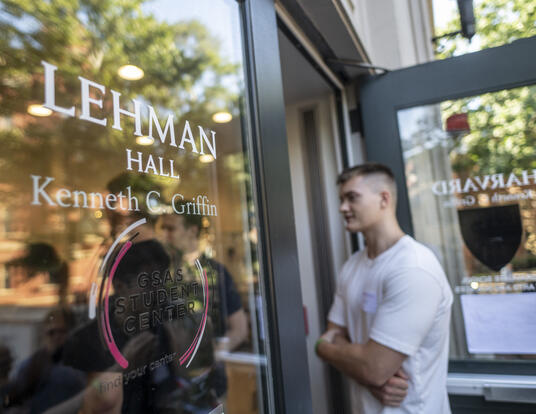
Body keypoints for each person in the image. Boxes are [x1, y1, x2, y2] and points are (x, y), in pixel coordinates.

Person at [316, 163, 453, 413]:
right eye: (341, 199)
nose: (342, 208)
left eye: (352, 198)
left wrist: (337, 352)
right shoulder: (353, 266)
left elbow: (373, 366)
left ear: (384, 199)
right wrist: (365, 374)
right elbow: (330, 337)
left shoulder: (413, 268)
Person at [158, 211, 248, 351]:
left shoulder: (216, 272)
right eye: (163, 228)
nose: (164, 234)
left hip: (210, 368)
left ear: (192, 231)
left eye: (171, 228)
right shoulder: (160, 273)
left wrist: (215, 353)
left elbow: (240, 329)